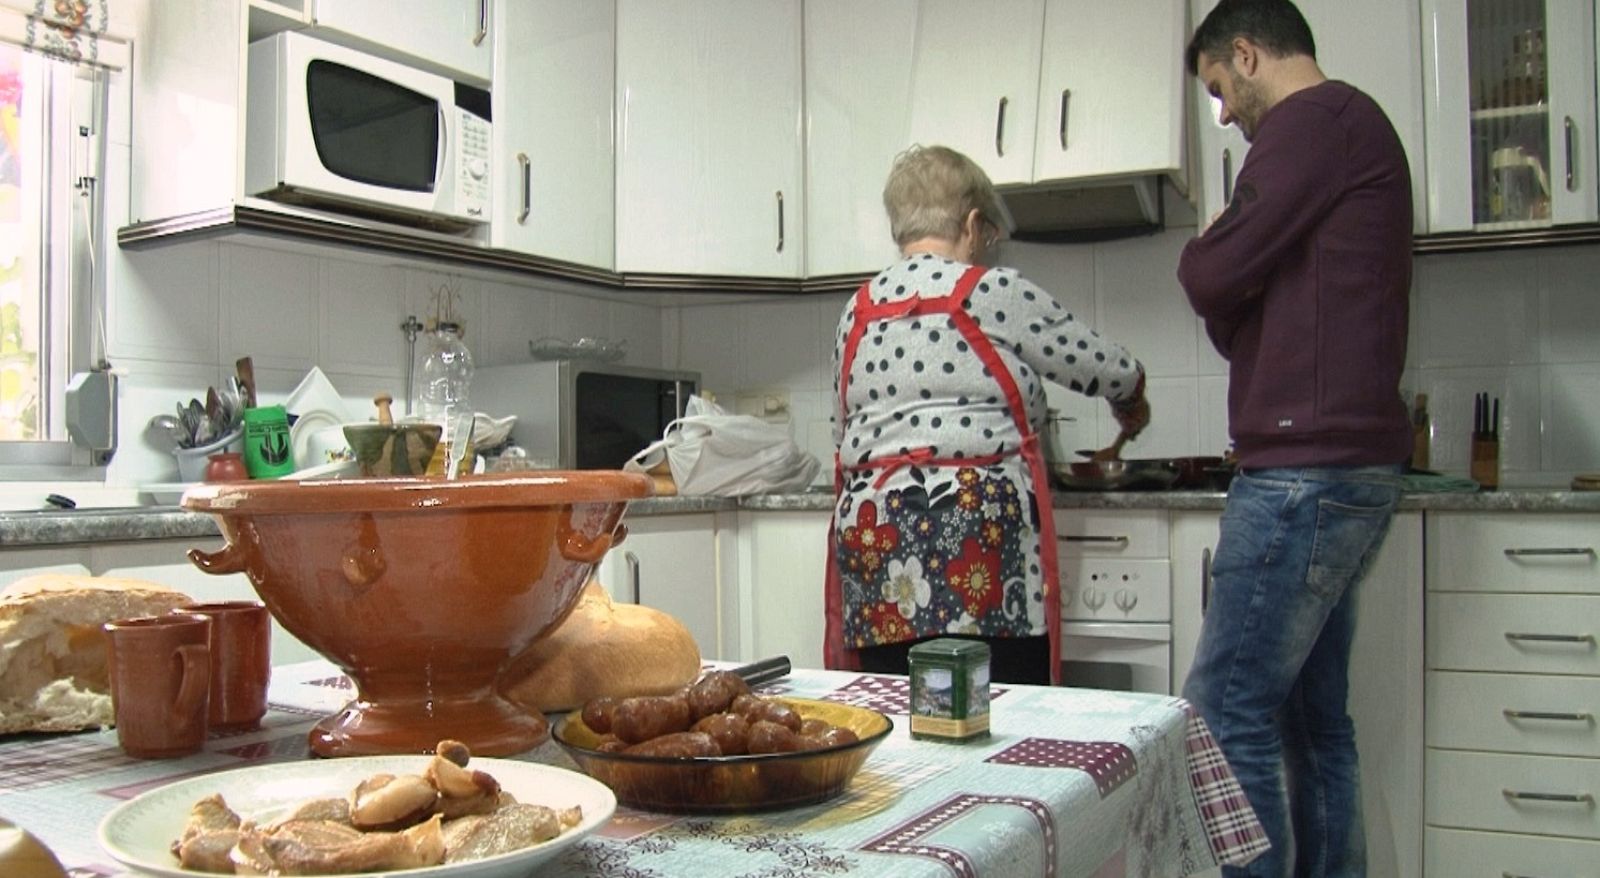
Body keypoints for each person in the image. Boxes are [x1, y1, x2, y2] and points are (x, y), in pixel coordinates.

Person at [1175, 2, 1413, 876]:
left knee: (1222, 710)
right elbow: (1240, 314)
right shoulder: (1349, 129)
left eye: (1219, 90)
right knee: (1315, 722)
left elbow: (1209, 275)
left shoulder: (1313, 122)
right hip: (1345, 467)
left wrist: (1217, 264)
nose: (1225, 113)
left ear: (1246, 54)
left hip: (1301, 474)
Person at [824, 144, 1149, 685]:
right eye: (989, 235)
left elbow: (843, 433)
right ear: (973, 225)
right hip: (978, 534)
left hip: (876, 538)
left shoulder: (855, 310)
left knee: (903, 721)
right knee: (1004, 716)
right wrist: (1132, 404)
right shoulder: (994, 289)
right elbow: (1107, 368)